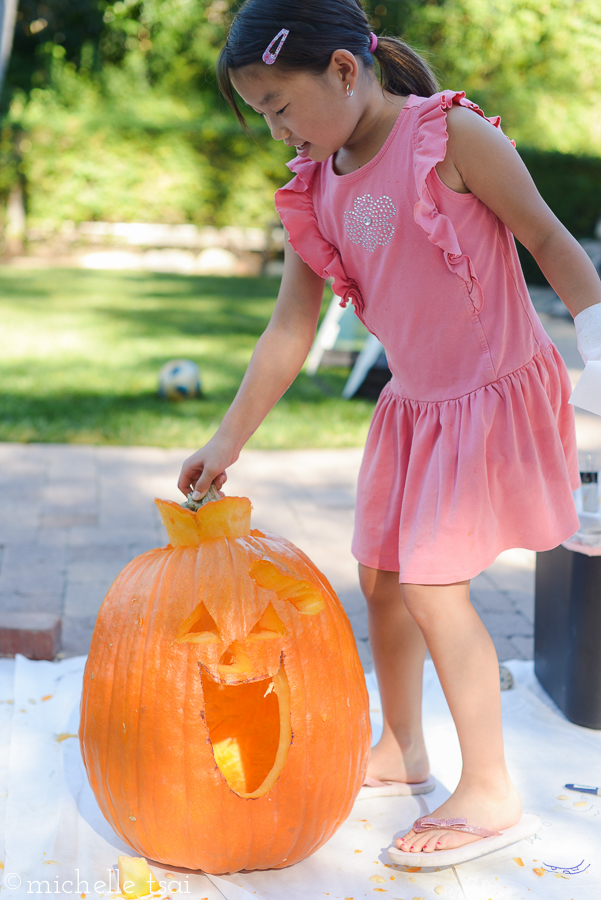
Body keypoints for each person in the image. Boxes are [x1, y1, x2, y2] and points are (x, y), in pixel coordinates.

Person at [178, 0, 601, 862]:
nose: (276, 132)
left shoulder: (448, 139)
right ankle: (402, 748)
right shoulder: (313, 185)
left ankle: (487, 790)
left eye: (280, 108)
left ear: (342, 70)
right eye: (262, 115)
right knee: (381, 577)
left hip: (488, 392)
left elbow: (552, 243)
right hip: (413, 408)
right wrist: (226, 441)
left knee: (434, 586)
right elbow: (288, 331)